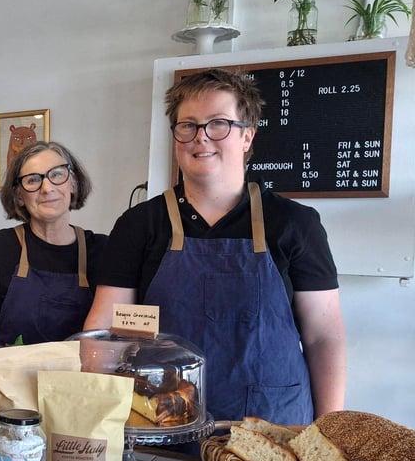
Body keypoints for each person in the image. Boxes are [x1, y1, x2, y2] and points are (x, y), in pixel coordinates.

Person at [84, 68, 346, 424]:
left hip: (273, 428)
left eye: (218, 124)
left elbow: (323, 337)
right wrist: (92, 418)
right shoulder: (138, 225)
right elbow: (105, 330)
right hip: (164, 424)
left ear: (247, 137)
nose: (200, 137)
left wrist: (331, 431)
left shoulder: (295, 224)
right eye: (187, 125)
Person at [0, 141, 107, 345]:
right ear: (19, 196)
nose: (47, 188)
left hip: (82, 376)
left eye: (57, 174)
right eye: (32, 180)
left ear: (73, 183)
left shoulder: (103, 250)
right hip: (12, 375)